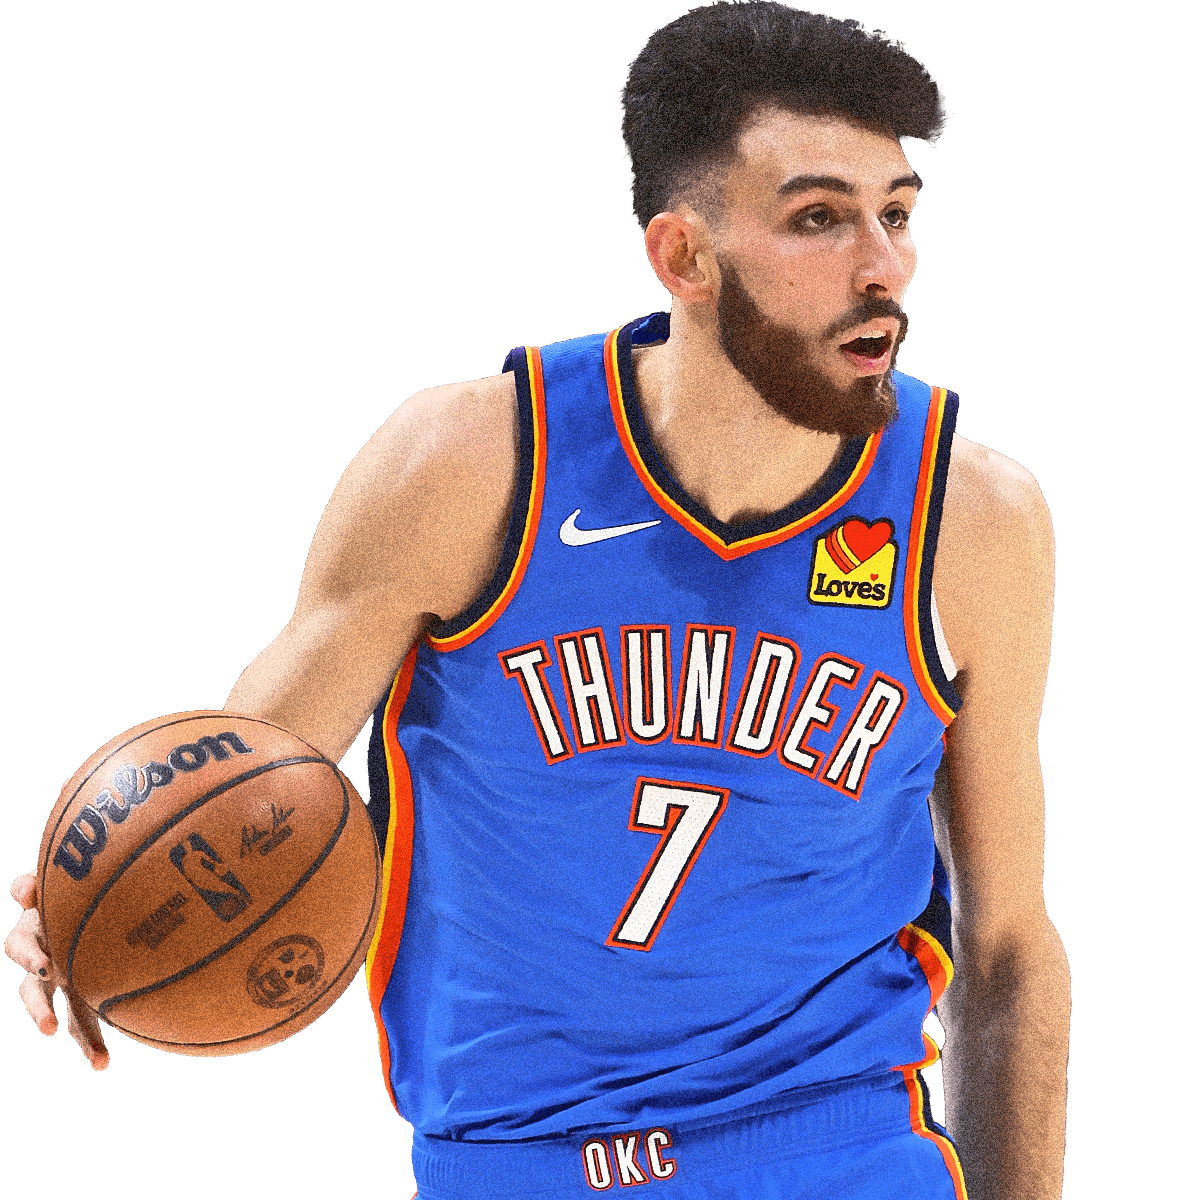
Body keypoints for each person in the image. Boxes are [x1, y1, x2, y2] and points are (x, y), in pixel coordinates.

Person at [6, 3, 1069, 1197]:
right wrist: (100, 892)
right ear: (684, 257)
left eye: (897, 213)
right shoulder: (468, 466)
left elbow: (1009, 949)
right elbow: (242, 784)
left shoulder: (971, 520)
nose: (884, 265)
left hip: (836, 1149)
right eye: (819, 218)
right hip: (514, 1162)